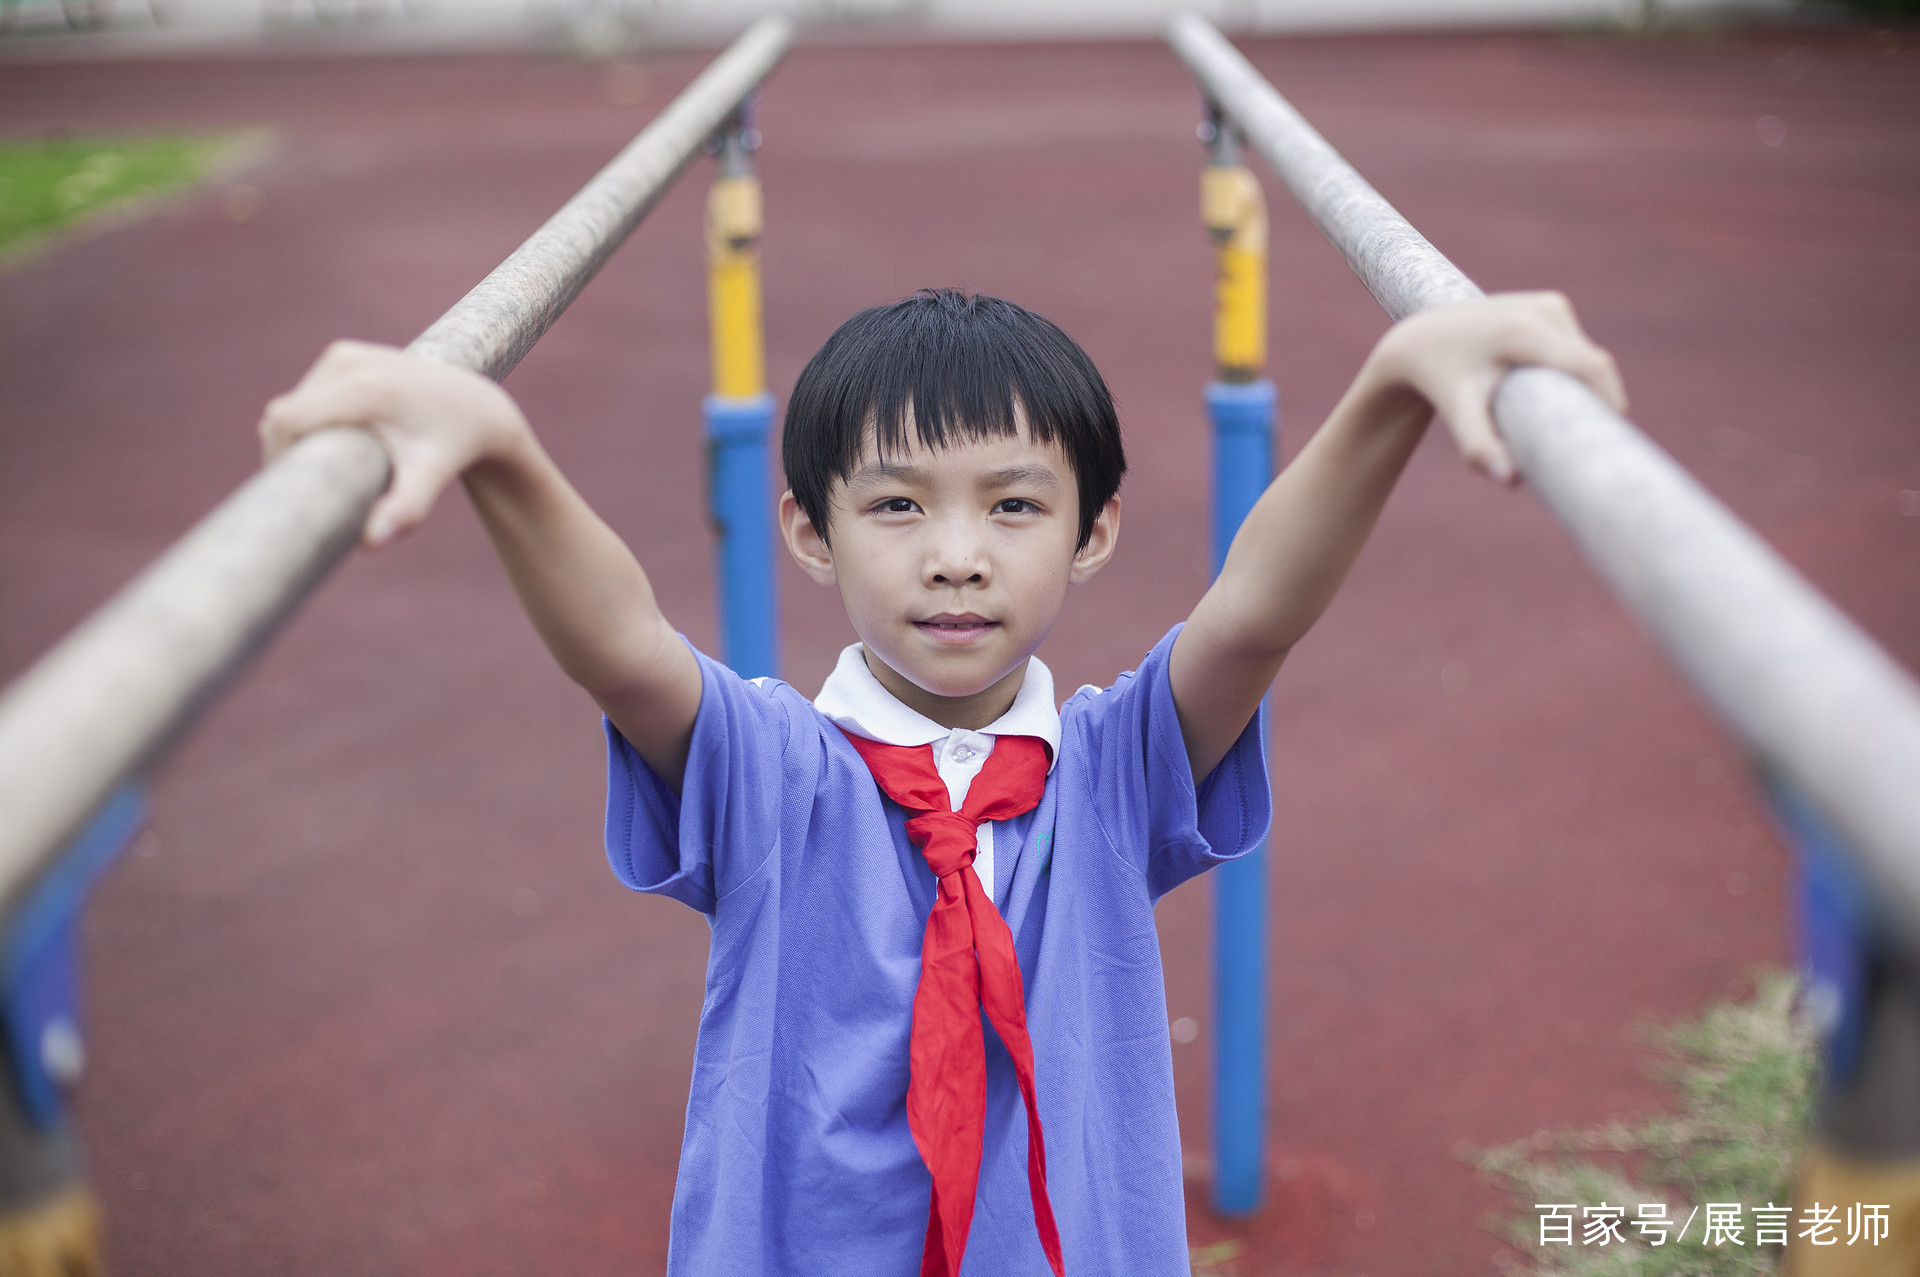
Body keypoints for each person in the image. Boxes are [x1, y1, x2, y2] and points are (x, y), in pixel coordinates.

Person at [259, 286, 1624, 1275]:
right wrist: (498, 447)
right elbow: (623, 649)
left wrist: (1393, 382)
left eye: (1013, 505)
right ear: (807, 528)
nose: (957, 555)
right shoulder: (775, 770)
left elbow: (1252, 615)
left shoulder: (1107, 769)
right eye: (898, 504)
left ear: (1093, 535)